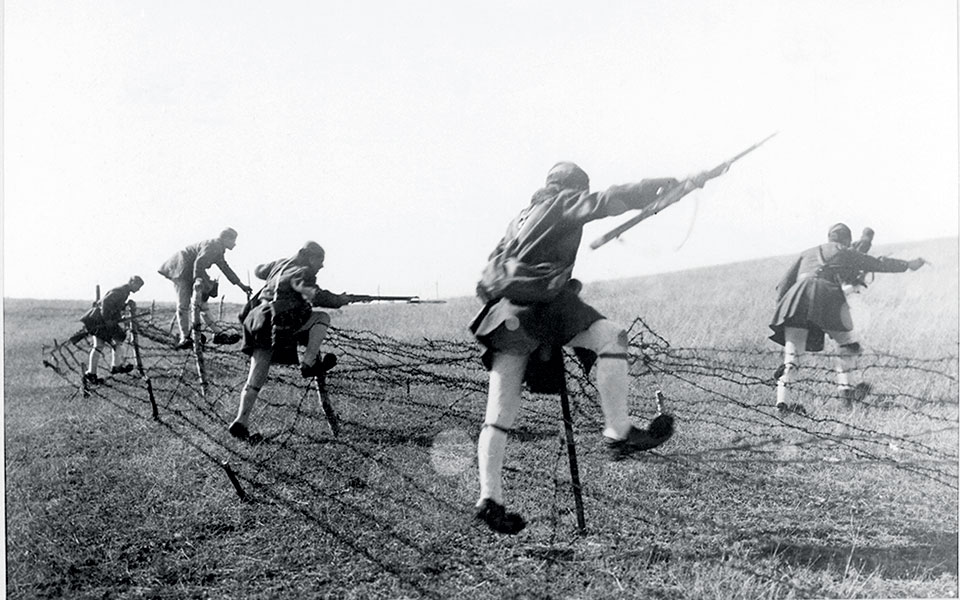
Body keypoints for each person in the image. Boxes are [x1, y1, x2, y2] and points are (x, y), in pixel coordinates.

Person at [468, 162, 688, 534]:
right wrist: (661, 185)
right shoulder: (560, 202)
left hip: (505, 315)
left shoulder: (520, 218)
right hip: (540, 309)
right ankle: (618, 431)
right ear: (571, 187)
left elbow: (490, 269)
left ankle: (490, 498)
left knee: (498, 416)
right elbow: (605, 200)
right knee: (612, 337)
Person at [769, 223, 926, 412]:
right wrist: (907, 265)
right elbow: (877, 263)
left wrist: (784, 311)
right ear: (847, 240)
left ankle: (782, 404)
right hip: (824, 293)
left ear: (829, 237)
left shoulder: (807, 252)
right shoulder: (844, 250)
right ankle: (846, 394)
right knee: (848, 346)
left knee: (792, 357)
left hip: (793, 300)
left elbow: (783, 285)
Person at [228, 242, 361, 441]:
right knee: (322, 317)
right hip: (277, 320)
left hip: (256, 319)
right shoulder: (304, 271)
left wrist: (277, 269)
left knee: (255, 377)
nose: (321, 266)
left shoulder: (281, 264)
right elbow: (314, 295)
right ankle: (309, 363)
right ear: (310, 257)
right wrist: (340, 299)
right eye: (320, 260)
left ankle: (240, 421)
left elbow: (258, 271)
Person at [158, 228, 253, 349]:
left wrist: (242, 286)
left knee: (202, 304)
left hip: (193, 271)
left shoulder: (218, 249)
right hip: (181, 268)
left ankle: (217, 333)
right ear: (226, 239)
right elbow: (199, 262)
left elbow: (225, 269)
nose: (234, 244)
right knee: (183, 304)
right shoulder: (213, 246)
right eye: (233, 240)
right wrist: (198, 279)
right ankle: (185, 337)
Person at [83, 276, 144, 384]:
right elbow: (106, 303)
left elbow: (114, 305)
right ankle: (109, 368)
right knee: (103, 344)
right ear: (131, 282)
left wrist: (125, 305)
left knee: (114, 340)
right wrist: (108, 320)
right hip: (100, 320)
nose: (138, 289)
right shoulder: (121, 291)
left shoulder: (124, 292)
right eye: (138, 286)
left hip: (101, 319)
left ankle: (103, 370)